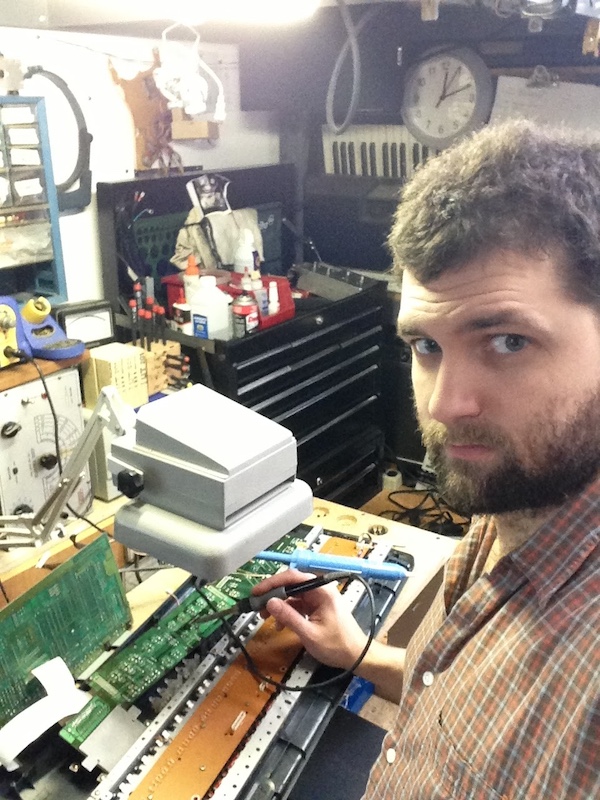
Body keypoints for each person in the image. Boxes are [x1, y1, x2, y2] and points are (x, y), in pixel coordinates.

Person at [253, 120, 599, 799]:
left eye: (507, 342)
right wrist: (357, 655)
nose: (444, 406)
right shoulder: (514, 503)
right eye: (426, 346)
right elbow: (456, 689)